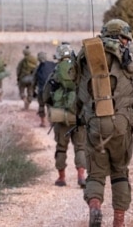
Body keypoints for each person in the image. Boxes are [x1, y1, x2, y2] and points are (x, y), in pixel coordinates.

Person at [76, 18, 133, 227]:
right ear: (124, 39)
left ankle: (95, 207)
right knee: (120, 172)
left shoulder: (85, 62)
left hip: (94, 124)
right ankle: (118, 222)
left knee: (96, 174)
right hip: (121, 126)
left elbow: (77, 95)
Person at [42, 42, 86, 188]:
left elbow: (45, 96)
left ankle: (61, 178)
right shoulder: (79, 71)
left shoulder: (55, 72)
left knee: (61, 147)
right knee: (80, 147)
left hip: (60, 116)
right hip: (78, 116)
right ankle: (81, 176)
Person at [33, 51, 56, 127]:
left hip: (41, 91)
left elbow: (34, 81)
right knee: (50, 105)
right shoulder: (52, 64)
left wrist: (33, 90)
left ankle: (43, 122)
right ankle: (52, 122)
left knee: (41, 105)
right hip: (51, 89)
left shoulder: (37, 68)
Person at [16, 46, 38, 110]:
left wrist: (18, 77)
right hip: (31, 79)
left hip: (23, 78)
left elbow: (18, 70)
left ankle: (24, 99)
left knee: (21, 90)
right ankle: (27, 105)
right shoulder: (35, 60)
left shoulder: (22, 61)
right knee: (30, 91)